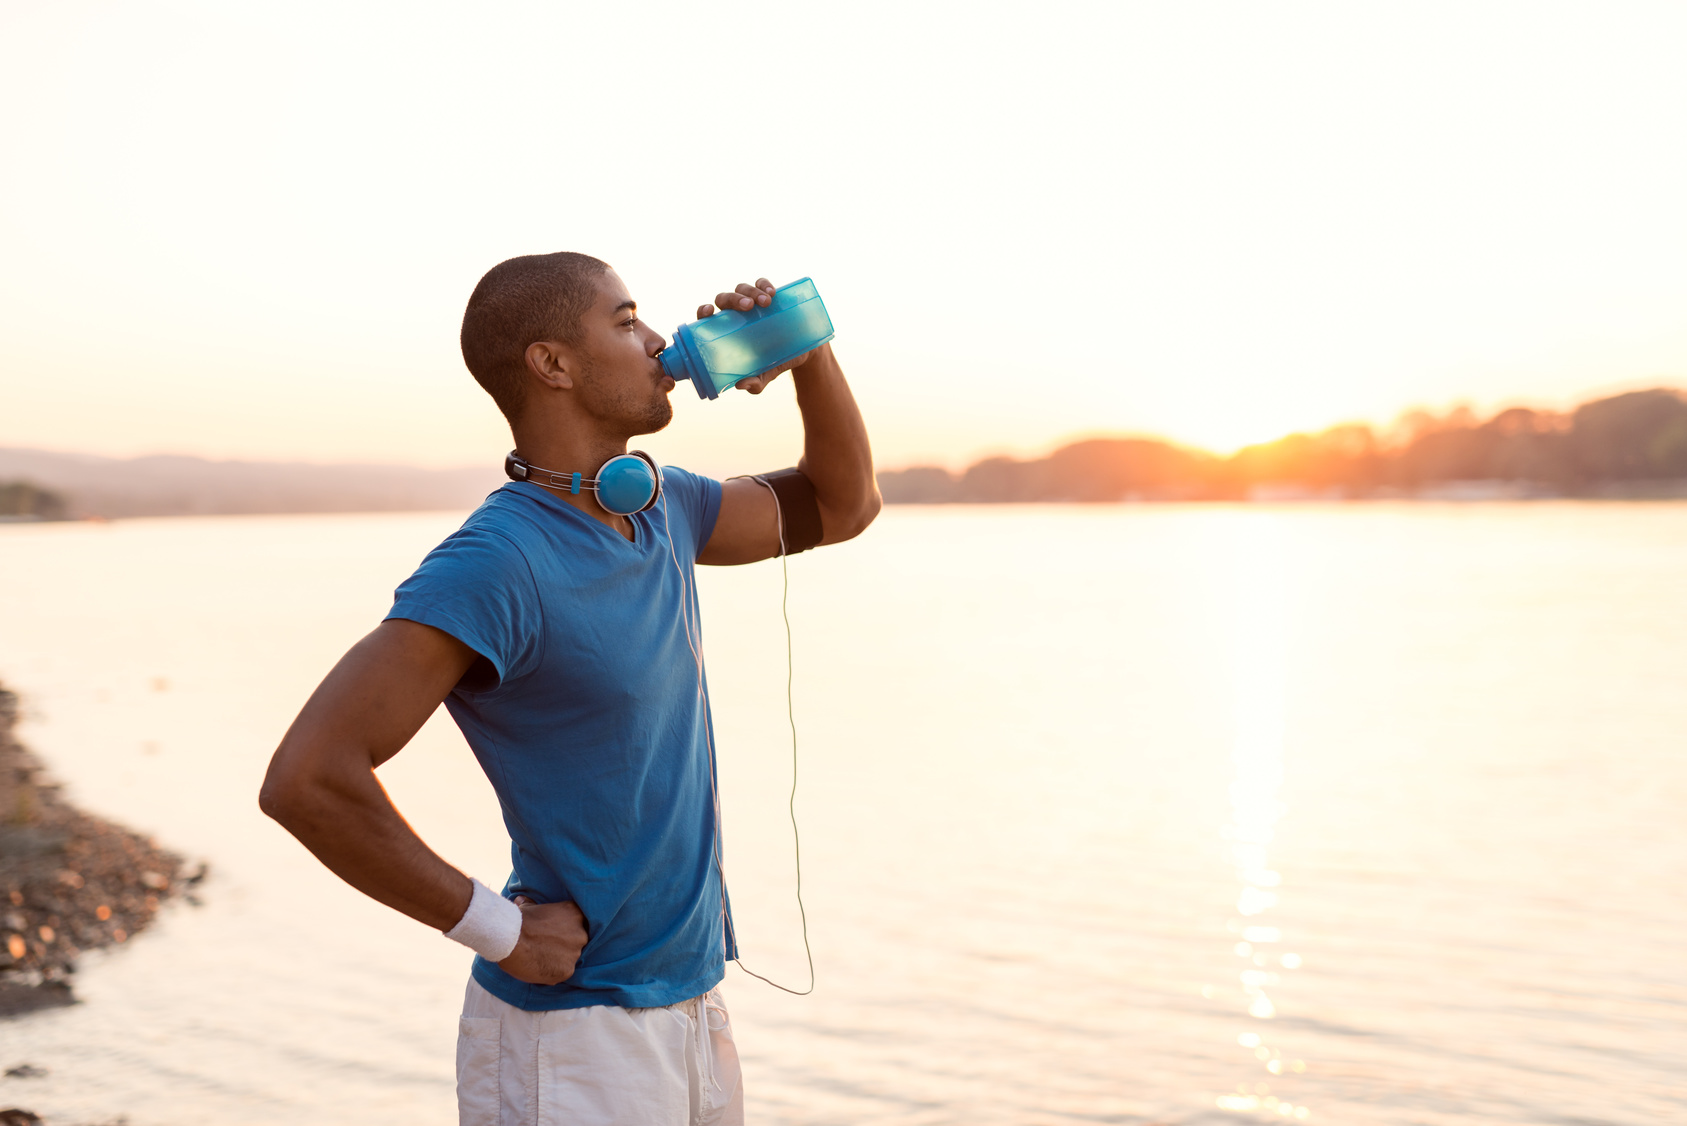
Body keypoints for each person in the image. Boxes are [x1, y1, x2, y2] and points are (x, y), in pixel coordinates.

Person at [259, 252, 879, 1126]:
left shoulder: (661, 506)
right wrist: (497, 930)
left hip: (694, 1003)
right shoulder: (495, 563)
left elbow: (842, 504)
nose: (662, 340)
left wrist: (806, 351)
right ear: (552, 364)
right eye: (626, 322)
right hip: (576, 1041)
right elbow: (307, 778)